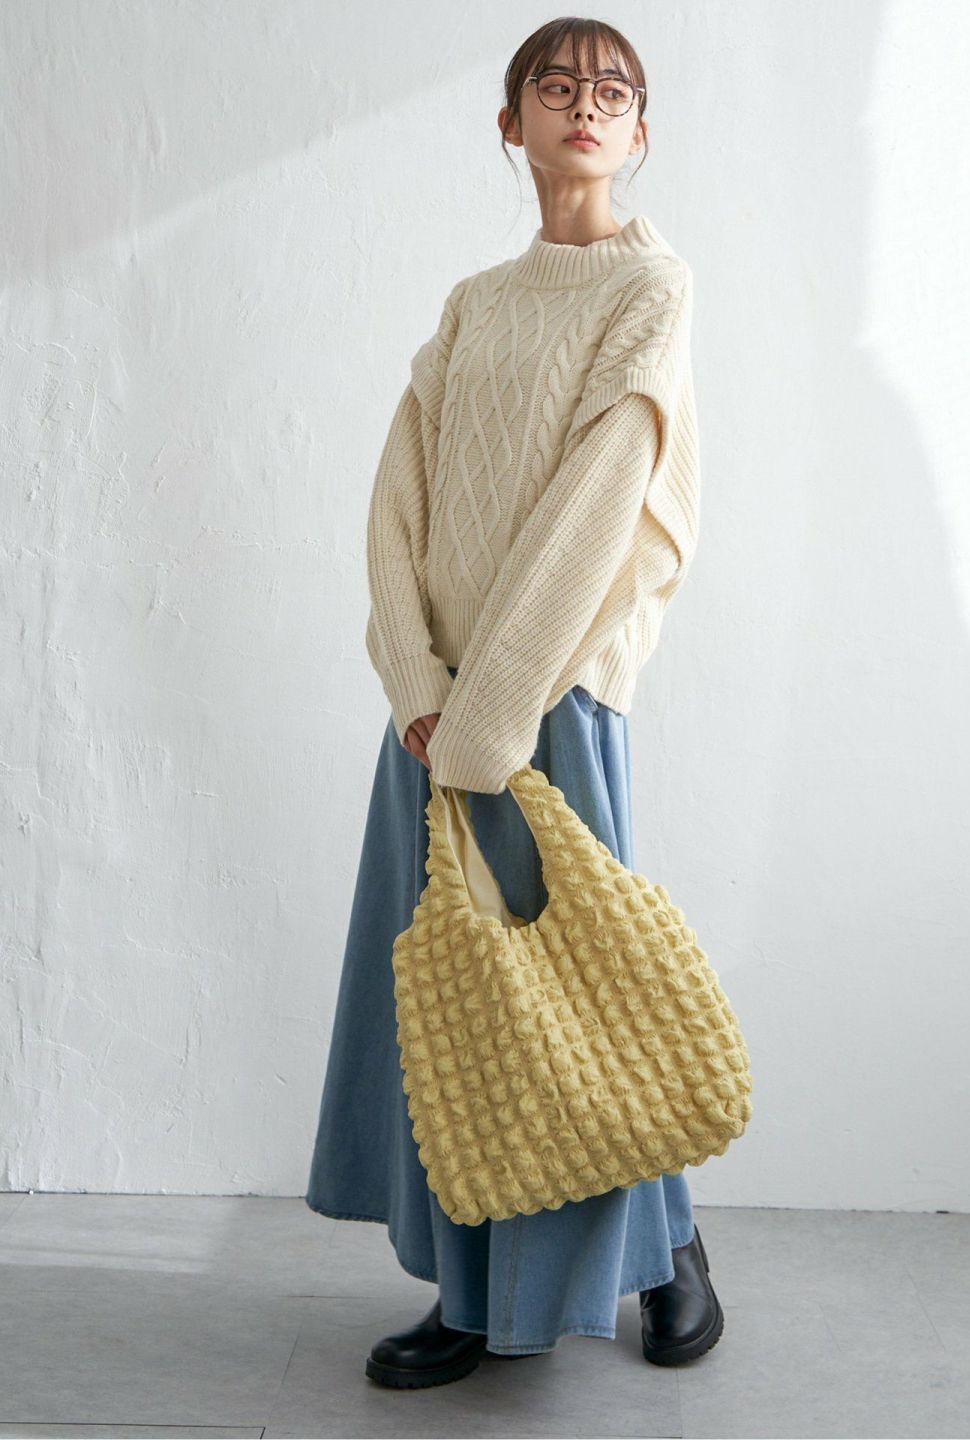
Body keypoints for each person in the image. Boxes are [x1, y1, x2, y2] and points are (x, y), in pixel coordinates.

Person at [304, 16, 719, 1386]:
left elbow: (604, 502)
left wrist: (490, 712)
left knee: (575, 1006)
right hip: (435, 718)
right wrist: (416, 680)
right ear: (510, 123)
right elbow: (397, 497)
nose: (583, 105)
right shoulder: (475, 303)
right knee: (465, 1013)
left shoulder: (651, 289)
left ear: (640, 133)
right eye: (556, 85)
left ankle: (647, 1261)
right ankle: (479, 1292)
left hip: (547, 711)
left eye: (612, 92)